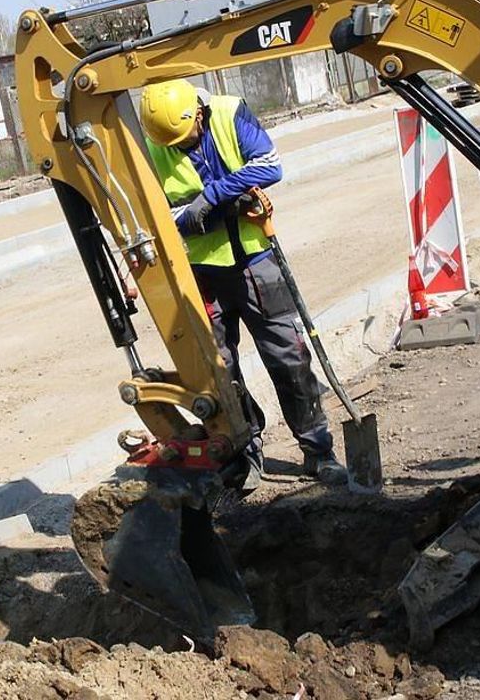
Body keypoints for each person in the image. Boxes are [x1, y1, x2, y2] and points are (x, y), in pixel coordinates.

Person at [139, 79, 348, 488]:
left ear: (199, 112)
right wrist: (212, 211)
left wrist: (209, 197)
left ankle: (318, 450)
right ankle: (244, 451)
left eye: (187, 137)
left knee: (289, 358)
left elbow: (269, 165)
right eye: (173, 144)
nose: (181, 148)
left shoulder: (229, 113)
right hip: (199, 273)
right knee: (221, 370)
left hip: (255, 261)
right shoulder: (153, 146)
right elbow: (156, 217)